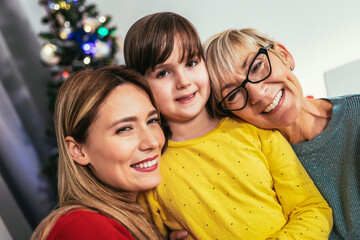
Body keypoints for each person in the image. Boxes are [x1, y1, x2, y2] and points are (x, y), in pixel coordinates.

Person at [124, 12, 333, 240]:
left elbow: (312, 209)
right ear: (141, 86)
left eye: (191, 63)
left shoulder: (256, 133)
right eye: (163, 72)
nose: (183, 81)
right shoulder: (151, 169)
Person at [204, 28, 360, 239]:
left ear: (284, 55)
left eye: (257, 66)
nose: (257, 93)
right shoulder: (251, 171)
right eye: (233, 94)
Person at [31, 66, 165, 240]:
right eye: (124, 129)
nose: (153, 142)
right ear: (78, 151)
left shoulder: (143, 215)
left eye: (152, 120)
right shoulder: (80, 226)